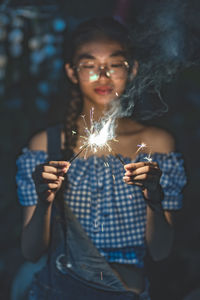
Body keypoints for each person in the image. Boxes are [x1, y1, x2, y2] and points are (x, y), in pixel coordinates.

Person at [16, 17, 187, 300]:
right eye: (90, 66)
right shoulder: (45, 146)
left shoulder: (157, 145)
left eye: (114, 65)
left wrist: (154, 200)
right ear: (72, 72)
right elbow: (31, 251)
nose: (103, 76)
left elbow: (160, 251)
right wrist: (45, 200)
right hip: (60, 290)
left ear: (132, 69)